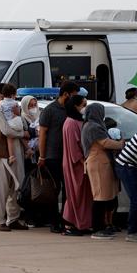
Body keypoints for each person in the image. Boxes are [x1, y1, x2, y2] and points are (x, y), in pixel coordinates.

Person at [38, 81, 80, 233]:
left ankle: (67, 220)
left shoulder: (71, 110)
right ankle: (54, 222)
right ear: (66, 94)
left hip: (68, 157)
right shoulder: (50, 110)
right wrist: (42, 156)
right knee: (55, 190)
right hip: (53, 157)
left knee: (69, 190)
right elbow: (42, 134)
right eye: (74, 95)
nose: (76, 99)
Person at [82, 103, 125, 240]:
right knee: (100, 196)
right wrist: (120, 144)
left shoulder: (90, 125)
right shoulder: (94, 126)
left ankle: (102, 226)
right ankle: (98, 228)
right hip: (99, 162)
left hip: (100, 161)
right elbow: (105, 143)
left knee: (104, 195)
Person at [0, 85, 27, 232]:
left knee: (15, 188)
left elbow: (21, 125)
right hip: (3, 155)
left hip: (17, 153)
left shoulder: (13, 109)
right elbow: (6, 131)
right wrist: (22, 134)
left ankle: (13, 219)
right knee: (1, 189)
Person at [62, 95, 92, 235]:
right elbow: (74, 147)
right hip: (76, 164)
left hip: (81, 163)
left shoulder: (78, 121)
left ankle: (82, 223)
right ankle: (72, 223)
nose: (85, 107)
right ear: (75, 106)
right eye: (83, 105)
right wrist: (83, 162)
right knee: (76, 194)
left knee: (83, 195)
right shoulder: (71, 122)